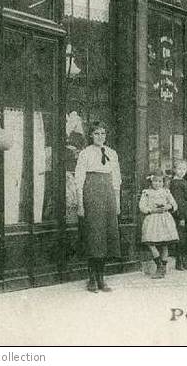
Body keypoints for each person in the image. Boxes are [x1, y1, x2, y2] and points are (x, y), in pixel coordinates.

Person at [75, 121, 122, 293]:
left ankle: (102, 277)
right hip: (92, 193)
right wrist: (80, 203)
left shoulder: (111, 153)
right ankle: (92, 278)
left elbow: (116, 179)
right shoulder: (85, 154)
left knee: (106, 235)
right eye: (96, 134)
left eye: (103, 133)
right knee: (94, 236)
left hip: (108, 193)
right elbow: (79, 180)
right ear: (90, 135)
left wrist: (117, 202)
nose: (100, 137)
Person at [138, 172, 178, 279]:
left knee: (165, 244)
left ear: (163, 182)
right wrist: (151, 210)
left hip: (164, 219)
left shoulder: (166, 192)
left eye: (160, 181)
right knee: (151, 243)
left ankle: (163, 267)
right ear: (151, 182)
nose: (157, 183)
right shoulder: (146, 192)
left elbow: (174, 205)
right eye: (155, 181)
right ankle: (159, 265)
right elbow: (142, 206)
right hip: (152, 219)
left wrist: (167, 207)